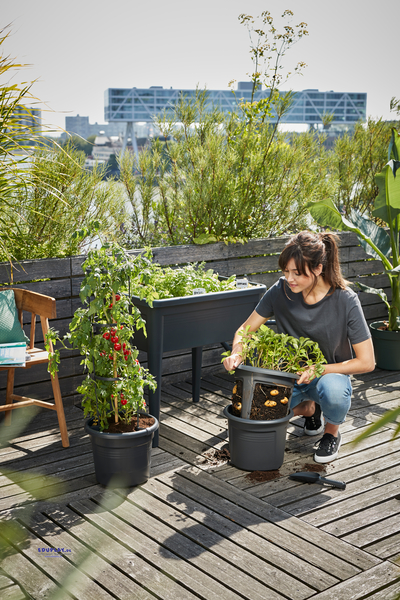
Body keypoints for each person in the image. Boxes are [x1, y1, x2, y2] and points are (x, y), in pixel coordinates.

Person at [223, 231, 375, 463]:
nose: (289, 278)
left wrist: (319, 369)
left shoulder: (345, 300)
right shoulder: (280, 291)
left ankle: (331, 432)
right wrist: (236, 353)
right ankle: (307, 410)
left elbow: (366, 362)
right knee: (254, 411)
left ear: (317, 269)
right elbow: (245, 330)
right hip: (287, 377)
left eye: (297, 273)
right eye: (286, 271)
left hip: (328, 377)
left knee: (333, 391)